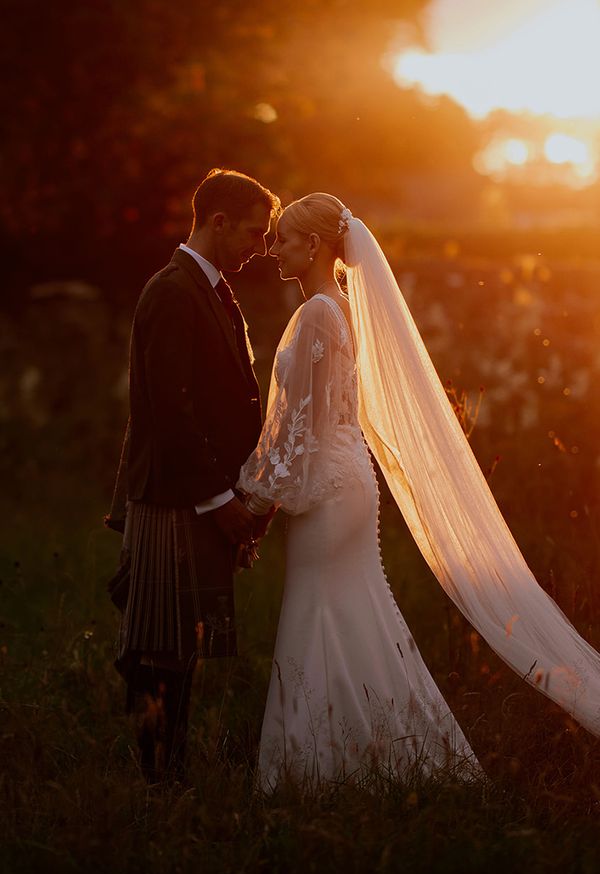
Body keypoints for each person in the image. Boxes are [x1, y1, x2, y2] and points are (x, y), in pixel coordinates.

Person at [237, 193, 600, 791]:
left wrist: (252, 504)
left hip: (328, 491)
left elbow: (298, 427)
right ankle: (380, 750)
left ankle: (309, 769)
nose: (274, 250)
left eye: (285, 239)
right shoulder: (336, 310)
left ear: (317, 246)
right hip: (344, 481)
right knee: (355, 609)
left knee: (319, 606)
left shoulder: (319, 315)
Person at [106, 168, 280, 781]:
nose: (259, 247)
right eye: (253, 234)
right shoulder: (173, 290)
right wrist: (217, 499)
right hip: (174, 500)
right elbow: (168, 408)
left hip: (199, 498)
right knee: (159, 650)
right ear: (218, 221)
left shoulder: (208, 289)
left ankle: (169, 777)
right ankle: (157, 787)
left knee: (183, 648)